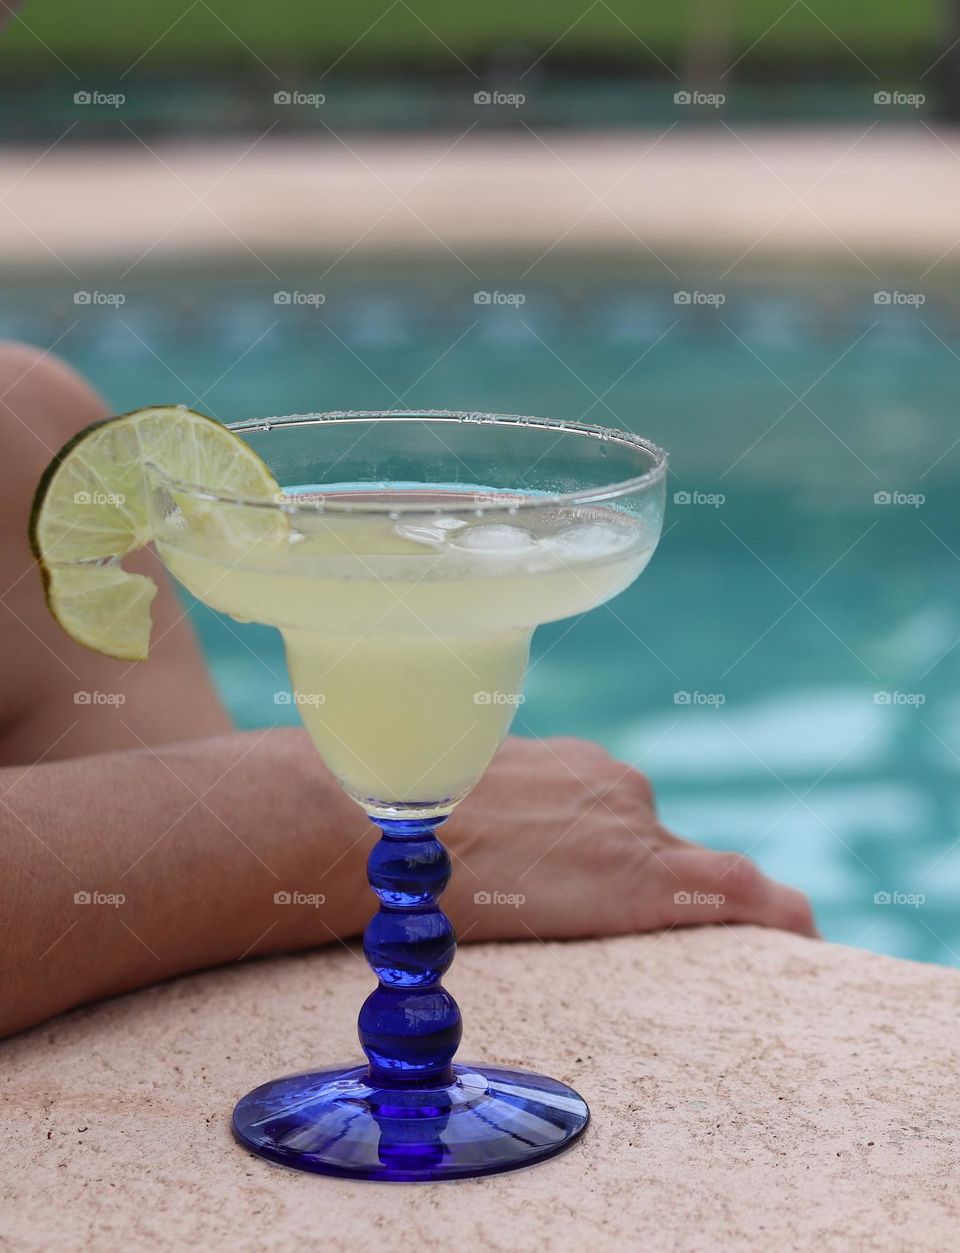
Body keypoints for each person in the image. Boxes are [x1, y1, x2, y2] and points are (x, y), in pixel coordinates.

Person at [0, 341, 816, 1038]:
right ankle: (407, 1054)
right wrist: (310, 819)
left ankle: (420, 1061)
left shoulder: (24, 423)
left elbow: (159, 878)